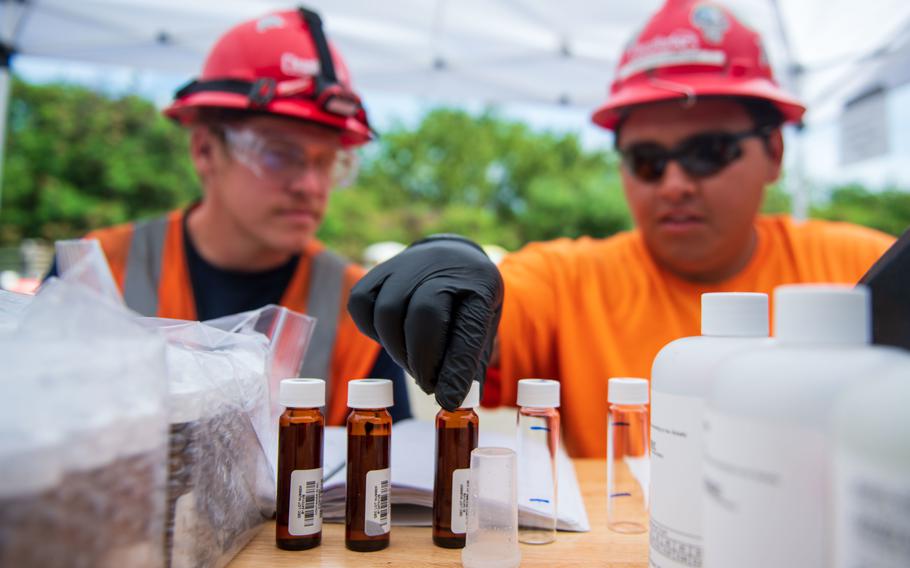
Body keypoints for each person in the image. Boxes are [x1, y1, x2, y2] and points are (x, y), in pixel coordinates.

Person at [346, 0, 894, 456]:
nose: (674, 183)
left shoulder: (861, 271)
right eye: (648, 160)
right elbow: (495, 316)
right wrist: (448, 264)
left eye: (709, 152)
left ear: (774, 152)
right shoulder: (570, 280)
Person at [61, 8, 410, 423]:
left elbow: (389, 476)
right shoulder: (99, 270)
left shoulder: (360, 308)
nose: (312, 186)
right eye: (280, 154)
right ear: (205, 150)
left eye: (329, 162)